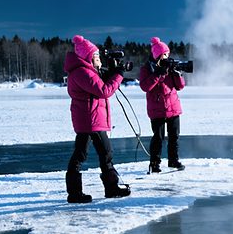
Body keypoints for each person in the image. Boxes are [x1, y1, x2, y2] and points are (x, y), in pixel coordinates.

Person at [64, 35, 131, 203]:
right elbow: (104, 91)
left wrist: (112, 72)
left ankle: (78, 192)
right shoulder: (82, 72)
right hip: (91, 119)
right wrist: (118, 75)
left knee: (83, 154)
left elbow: (99, 86)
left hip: (89, 118)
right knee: (103, 152)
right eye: (96, 56)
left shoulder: (84, 71)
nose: (99, 59)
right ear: (88, 57)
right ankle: (108, 188)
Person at [139, 37, 186, 173]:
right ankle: (155, 163)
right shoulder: (147, 69)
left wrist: (177, 74)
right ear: (158, 55)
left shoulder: (170, 67)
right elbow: (145, 86)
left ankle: (173, 160)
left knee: (174, 137)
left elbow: (180, 86)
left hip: (173, 107)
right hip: (157, 108)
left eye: (167, 54)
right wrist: (158, 74)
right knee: (158, 137)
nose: (166, 57)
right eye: (164, 54)